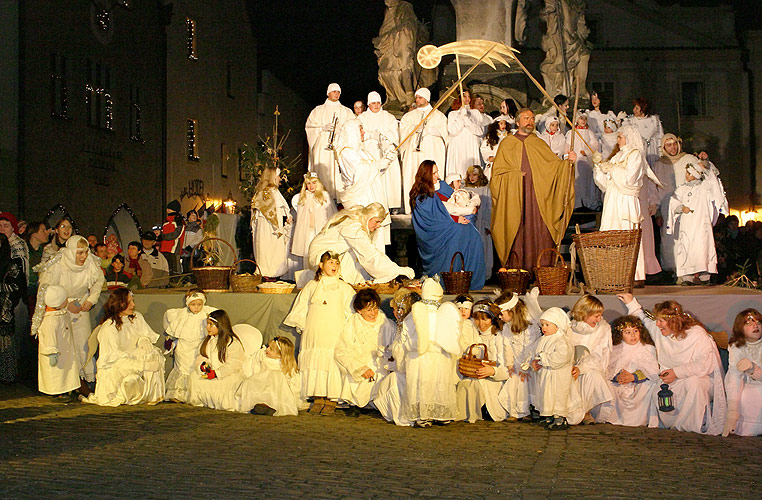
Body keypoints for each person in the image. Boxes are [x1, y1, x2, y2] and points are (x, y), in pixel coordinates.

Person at [618, 293, 725, 435]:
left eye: (661, 321)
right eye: (657, 320)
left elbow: (705, 364)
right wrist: (631, 302)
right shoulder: (659, 331)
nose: (657, 324)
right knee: (656, 387)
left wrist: (677, 372)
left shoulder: (697, 334)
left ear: (674, 321)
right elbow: (643, 319)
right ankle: (672, 425)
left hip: (700, 379)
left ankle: (690, 426)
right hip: (670, 379)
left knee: (693, 384)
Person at [490, 108, 576, 273]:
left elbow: (554, 168)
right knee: (516, 231)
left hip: (537, 200)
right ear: (517, 121)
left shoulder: (538, 143)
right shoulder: (507, 144)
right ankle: (516, 272)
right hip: (515, 199)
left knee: (540, 231)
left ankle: (541, 271)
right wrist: (514, 177)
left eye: (532, 118)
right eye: (526, 118)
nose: (530, 121)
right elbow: (497, 177)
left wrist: (568, 163)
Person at [284, 251, 355, 415]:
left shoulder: (344, 288)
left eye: (336, 263)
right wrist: (303, 325)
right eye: (330, 263)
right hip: (314, 330)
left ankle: (332, 399)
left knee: (331, 361)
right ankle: (318, 398)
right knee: (315, 362)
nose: (334, 266)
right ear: (321, 265)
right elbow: (302, 308)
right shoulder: (312, 286)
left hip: (334, 331)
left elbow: (350, 313)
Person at [33, 235, 104, 387]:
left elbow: (99, 281)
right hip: (59, 311)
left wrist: (91, 300)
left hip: (81, 308)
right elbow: (46, 289)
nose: (84, 256)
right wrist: (64, 304)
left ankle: (84, 379)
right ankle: (64, 384)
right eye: (80, 253)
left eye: (85, 252)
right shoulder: (57, 265)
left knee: (83, 344)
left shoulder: (90, 263)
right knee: (63, 347)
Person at [592, 125, 660, 282]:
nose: (618, 140)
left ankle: (633, 275)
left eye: (620, 137)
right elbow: (605, 184)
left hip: (626, 201)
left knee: (627, 236)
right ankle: (613, 275)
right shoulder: (616, 157)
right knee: (612, 234)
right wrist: (599, 167)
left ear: (629, 138)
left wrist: (612, 170)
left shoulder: (635, 155)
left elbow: (631, 180)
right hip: (613, 201)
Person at [410, 160, 485, 290]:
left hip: (447, 224)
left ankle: (465, 278)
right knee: (463, 232)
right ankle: (449, 277)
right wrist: (455, 219)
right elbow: (432, 219)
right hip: (435, 232)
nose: (437, 176)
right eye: (434, 173)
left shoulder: (441, 186)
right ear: (426, 174)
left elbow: (452, 202)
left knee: (472, 233)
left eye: (437, 172)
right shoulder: (421, 196)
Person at [396, 277, 460, 427]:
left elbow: (407, 335)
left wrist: (405, 350)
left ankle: (424, 415)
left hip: (420, 355)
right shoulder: (444, 311)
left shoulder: (415, 312)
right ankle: (440, 413)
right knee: (439, 382)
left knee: (422, 384)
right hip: (440, 354)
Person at [84, 288, 165, 406]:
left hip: (131, 358)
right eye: (129, 302)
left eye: (133, 301)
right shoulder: (109, 328)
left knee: (152, 353)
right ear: (119, 304)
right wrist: (143, 366)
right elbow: (114, 358)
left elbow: (144, 334)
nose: (133, 305)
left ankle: (153, 396)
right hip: (115, 366)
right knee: (131, 380)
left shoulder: (136, 317)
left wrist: (144, 339)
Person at [307, 203, 413, 285]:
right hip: (321, 256)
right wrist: (395, 270)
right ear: (368, 217)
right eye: (376, 221)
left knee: (356, 258)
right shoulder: (353, 227)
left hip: (333, 254)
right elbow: (369, 254)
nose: (378, 226)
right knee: (355, 257)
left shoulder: (357, 223)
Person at [335, 119, 397, 249]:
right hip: (361, 200)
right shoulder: (346, 152)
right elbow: (359, 173)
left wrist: (388, 159)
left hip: (372, 196)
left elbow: (375, 172)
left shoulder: (362, 151)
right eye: (360, 129)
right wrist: (379, 164)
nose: (363, 132)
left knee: (376, 242)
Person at [334, 288, 396, 414]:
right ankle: (356, 403)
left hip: (381, 365)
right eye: (368, 310)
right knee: (362, 371)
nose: (373, 313)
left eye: (375, 308)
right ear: (359, 310)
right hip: (359, 362)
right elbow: (342, 350)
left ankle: (377, 401)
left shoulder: (386, 324)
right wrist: (360, 367)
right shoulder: (352, 324)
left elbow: (394, 346)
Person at [374, 287, 421, 426]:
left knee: (393, 380)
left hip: (411, 371)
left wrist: (393, 361)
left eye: (396, 309)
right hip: (404, 367)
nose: (394, 313)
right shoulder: (403, 325)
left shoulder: (409, 325)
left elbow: (404, 353)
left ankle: (405, 414)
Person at [666, 163, 719, 285]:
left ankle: (704, 275)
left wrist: (705, 164)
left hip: (701, 224)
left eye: (689, 173)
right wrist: (680, 207)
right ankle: (687, 276)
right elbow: (674, 201)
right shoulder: (682, 189)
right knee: (686, 247)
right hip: (687, 225)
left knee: (702, 247)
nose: (686, 175)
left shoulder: (705, 187)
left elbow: (713, 179)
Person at [458, 300, 509, 423]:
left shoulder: (499, 337)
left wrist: (492, 371)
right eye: (477, 319)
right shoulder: (474, 335)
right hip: (475, 374)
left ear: (492, 319)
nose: (481, 323)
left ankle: (486, 409)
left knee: (476, 384)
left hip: (493, 379)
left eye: (485, 319)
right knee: (465, 383)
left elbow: (506, 367)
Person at [399, 87, 448, 213]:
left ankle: (434, 207)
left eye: (420, 97)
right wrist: (414, 128)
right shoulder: (409, 116)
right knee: (413, 176)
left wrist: (430, 131)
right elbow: (403, 131)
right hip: (414, 154)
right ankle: (412, 207)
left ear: (427, 99)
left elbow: (445, 134)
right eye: (416, 97)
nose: (417, 99)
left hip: (430, 152)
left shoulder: (438, 115)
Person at [566, 295, 614, 425]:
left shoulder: (603, 329)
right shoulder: (568, 326)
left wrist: (580, 368)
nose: (599, 320)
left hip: (590, 367)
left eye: (600, 316)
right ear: (584, 313)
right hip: (567, 366)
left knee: (594, 376)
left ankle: (586, 411)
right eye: (596, 316)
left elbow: (598, 357)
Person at [163, 289, 216, 403]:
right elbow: (173, 329)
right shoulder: (181, 315)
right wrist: (171, 341)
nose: (196, 307)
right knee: (182, 367)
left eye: (199, 304)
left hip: (199, 346)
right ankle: (178, 394)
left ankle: (195, 394)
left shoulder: (206, 314)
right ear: (187, 304)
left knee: (196, 367)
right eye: (193, 304)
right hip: (183, 347)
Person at [496, 290, 542, 421]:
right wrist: (510, 364)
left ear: (511, 311)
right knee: (513, 379)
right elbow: (507, 347)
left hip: (532, 363)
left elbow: (532, 348)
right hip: (517, 362)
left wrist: (526, 365)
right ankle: (516, 412)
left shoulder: (530, 326)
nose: (499, 317)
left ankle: (527, 410)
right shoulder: (507, 327)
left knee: (524, 379)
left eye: (501, 314)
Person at [605, 315, 658, 427]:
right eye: (627, 332)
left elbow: (652, 371)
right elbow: (609, 369)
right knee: (609, 386)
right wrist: (618, 377)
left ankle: (639, 419)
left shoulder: (647, 348)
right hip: (620, 382)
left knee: (648, 386)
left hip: (639, 382)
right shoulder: (616, 349)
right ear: (620, 334)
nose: (633, 335)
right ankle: (614, 417)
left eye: (635, 331)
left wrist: (634, 377)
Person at [187, 309, 246, 411]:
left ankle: (221, 402)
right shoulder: (208, 341)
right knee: (194, 377)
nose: (207, 327)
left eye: (211, 325)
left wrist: (217, 373)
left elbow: (234, 364)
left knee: (228, 383)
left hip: (226, 374)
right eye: (207, 324)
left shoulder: (232, 342)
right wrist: (204, 365)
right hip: (211, 372)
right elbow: (202, 356)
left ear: (220, 325)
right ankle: (204, 401)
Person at [305, 83, 354, 200]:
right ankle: (322, 195)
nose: (336, 94)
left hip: (340, 144)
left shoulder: (346, 111)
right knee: (323, 169)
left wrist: (342, 129)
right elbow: (309, 126)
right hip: (323, 145)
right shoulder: (318, 110)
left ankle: (339, 197)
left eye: (338, 92)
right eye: (334, 91)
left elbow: (354, 127)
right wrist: (322, 128)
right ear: (328, 93)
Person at [531, 307, 574, 430]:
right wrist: (533, 362)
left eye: (547, 325)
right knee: (546, 395)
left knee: (557, 396)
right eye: (542, 325)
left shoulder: (562, 341)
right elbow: (533, 352)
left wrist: (543, 359)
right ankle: (547, 415)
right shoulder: (542, 340)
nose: (544, 328)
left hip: (557, 376)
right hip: (545, 375)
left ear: (557, 325)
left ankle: (559, 418)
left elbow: (561, 358)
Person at [237, 336, 302, 416]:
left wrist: (294, 397)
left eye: (271, 349)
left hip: (276, 388)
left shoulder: (285, 366)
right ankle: (259, 405)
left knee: (275, 377)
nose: (267, 349)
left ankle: (269, 406)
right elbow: (254, 368)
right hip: (260, 382)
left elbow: (293, 381)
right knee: (250, 383)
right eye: (268, 347)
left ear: (280, 355)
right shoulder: (262, 356)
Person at [359, 91, 402, 211]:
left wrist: (384, 136)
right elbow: (359, 133)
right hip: (370, 151)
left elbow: (394, 133)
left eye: (378, 103)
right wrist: (371, 135)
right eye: (373, 103)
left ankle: (392, 204)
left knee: (389, 177)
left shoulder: (388, 117)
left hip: (386, 149)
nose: (376, 105)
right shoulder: (362, 118)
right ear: (368, 104)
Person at [37, 285, 80, 396]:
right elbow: (49, 338)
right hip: (56, 352)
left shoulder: (60, 314)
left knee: (65, 371)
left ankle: (66, 389)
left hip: (64, 350)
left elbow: (68, 315)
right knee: (56, 373)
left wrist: (73, 306)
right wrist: (51, 352)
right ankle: (56, 392)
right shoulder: (50, 321)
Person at [724, 309, 762, 436]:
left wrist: (753, 370)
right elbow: (734, 377)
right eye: (749, 323)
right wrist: (732, 411)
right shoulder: (736, 346)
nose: (755, 326)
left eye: (758, 323)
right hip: (749, 384)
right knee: (743, 394)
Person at [252, 166, 291, 280]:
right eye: (278, 176)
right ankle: (270, 274)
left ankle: (267, 274)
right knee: (271, 251)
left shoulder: (261, 192)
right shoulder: (272, 192)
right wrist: (286, 220)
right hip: (272, 229)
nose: (280, 178)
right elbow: (279, 211)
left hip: (264, 228)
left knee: (265, 250)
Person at [291, 173, 337, 270]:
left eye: (314, 183)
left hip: (320, 232)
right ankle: (307, 278)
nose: (311, 186)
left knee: (319, 255)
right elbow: (300, 217)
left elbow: (330, 214)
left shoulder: (324, 196)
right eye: (308, 184)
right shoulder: (303, 197)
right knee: (307, 256)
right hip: (307, 232)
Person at [0, 234, 25, 383]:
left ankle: (7, 376)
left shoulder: (12, 265)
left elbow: (15, 287)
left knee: (5, 344)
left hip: (4, 310)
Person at [565, 111, 601, 210]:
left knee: (587, 182)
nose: (583, 121)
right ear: (577, 120)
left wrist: (587, 152)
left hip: (586, 161)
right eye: (581, 118)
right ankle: (576, 203)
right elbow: (567, 147)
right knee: (576, 181)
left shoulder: (590, 133)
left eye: (585, 119)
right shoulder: (572, 132)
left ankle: (588, 202)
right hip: (575, 161)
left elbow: (595, 146)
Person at [445, 89, 485, 179]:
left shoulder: (475, 113)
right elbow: (453, 130)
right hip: (458, 145)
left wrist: (467, 119)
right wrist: (460, 117)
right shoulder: (452, 114)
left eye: (468, 96)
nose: (467, 99)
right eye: (464, 96)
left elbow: (479, 131)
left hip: (470, 144)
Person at [464, 165, 493, 279]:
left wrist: (488, 224)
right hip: (470, 222)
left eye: (474, 175)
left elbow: (489, 207)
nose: (471, 177)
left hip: (482, 222)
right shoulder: (465, 189)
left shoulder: (485, 189)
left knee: (483, 247)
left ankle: (484, 275)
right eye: (470, 175)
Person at [623, 97, 664, 167]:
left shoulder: (654, 120)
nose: (634, 110)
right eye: (634, 108)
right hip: (639, 151)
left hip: (653, 151)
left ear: (643, 109)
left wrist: (661, 152)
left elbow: (660, 136)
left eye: (637, 108)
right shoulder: (630, 121)